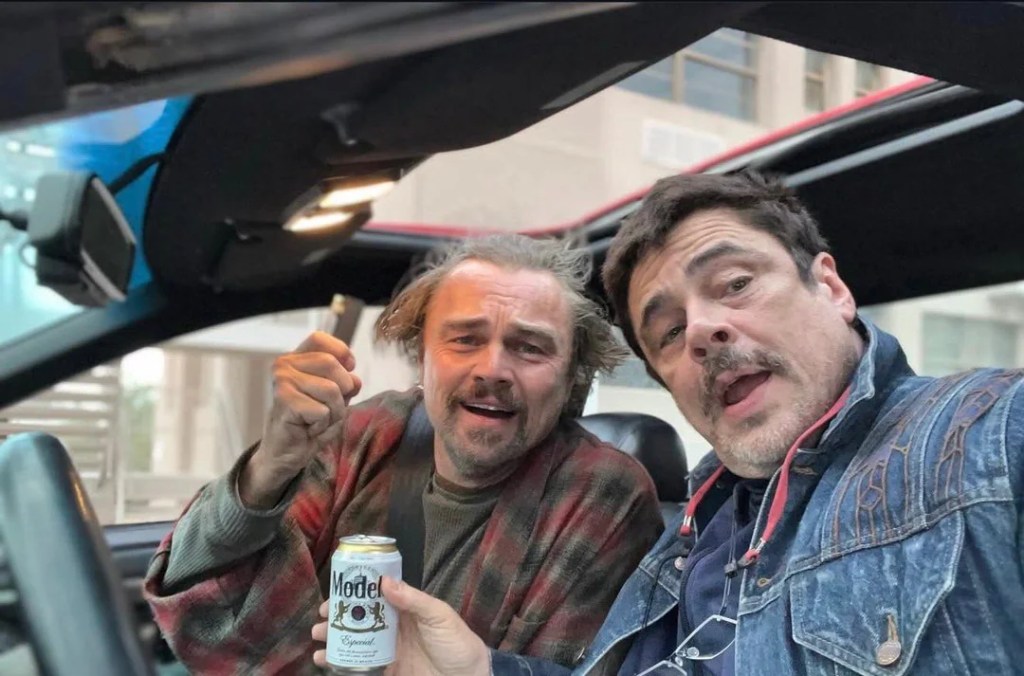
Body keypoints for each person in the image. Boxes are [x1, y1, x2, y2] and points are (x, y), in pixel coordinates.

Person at [328, 170, 1024, 676]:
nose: (701, 331)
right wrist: (484, 670)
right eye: (666, 331)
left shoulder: (986, 433)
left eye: (735, 284)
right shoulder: (689, 540)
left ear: (832, 287)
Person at [144, 234, 663, 674]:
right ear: (422, 356)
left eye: (530, 347)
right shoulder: (360, 436)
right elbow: (197, 590)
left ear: (571, 376)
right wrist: (269, 468)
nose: (492, 370)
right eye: (465, 339)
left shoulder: (604, 495)